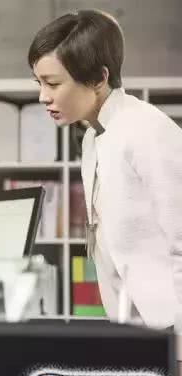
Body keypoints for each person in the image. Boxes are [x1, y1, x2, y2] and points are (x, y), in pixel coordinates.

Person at [28, 10, 182, 331]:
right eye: (38, 83)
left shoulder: (146, 129)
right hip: (134, 328)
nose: (43, 96)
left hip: (171, 329)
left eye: (53, 83)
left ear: (99, 78)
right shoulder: (92, 138)